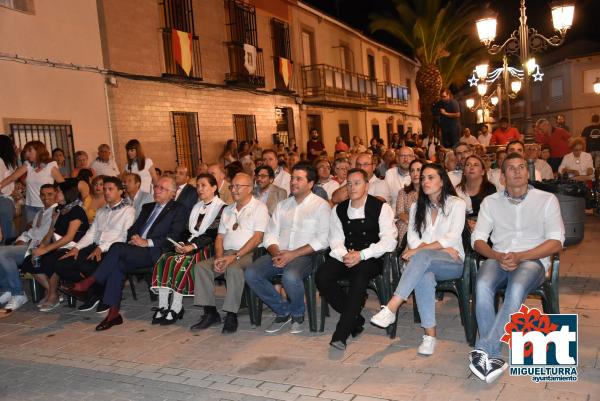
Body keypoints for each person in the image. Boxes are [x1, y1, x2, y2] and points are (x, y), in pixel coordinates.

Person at [468, 153, 564, 383]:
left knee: (517, 287)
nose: (518, 171)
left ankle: (486, 349)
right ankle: (491, 358)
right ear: (502, 177)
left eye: (521, 167)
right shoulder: (490, 202)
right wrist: (496, 255)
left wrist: (522, 256)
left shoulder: (547, 199)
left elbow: (556, 241)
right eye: (511, 168)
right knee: (481, 283)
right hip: (498, 257)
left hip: (533, 260)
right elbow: (478, 239)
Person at [61, 176, 188, 331]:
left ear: (172, 193)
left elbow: (173, 236)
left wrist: (146, 242)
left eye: (162, 188)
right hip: (136, 249)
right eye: (156, 187)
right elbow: (133, 229)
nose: (157, 190)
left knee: (116, 248)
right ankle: (113, 314)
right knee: (117, 266)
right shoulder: (148, 207)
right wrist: (134, 237)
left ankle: (87, 284)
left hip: (156, 252)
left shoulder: (178, 209)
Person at [370, 164, 466, 356]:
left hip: (452, 262)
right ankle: (430, 336)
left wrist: (424, 249)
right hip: (425, 263)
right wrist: (430, 247)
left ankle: (392, 307)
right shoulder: (416, 207)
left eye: (430, 177)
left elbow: (452, 238)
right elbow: (413, 239)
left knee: (421, 256)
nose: (425, 182)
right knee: (424, 276)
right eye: (423, 178)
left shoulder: (457, 204)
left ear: (442, 180)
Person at [316, 168, 397, 350]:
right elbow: (335, 240)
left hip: (370, 257)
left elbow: (389, 241)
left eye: (357, 183)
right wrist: (345, 255)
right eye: (349, 183)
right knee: (322, 276)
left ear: (367, 186)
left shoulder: (381, 208)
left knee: (358, 277)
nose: (352, 187)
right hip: (345, 254)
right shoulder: (339, 209)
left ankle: (341, 334)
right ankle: (355, 318)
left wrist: (361, 255)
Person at [245, 164, 330, 334]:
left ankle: (298, 315)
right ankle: (283, 311)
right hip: (279, 253)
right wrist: (276, 253)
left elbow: (323, 240)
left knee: (290, 276)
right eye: (292, 178)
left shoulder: (320, 206)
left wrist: (293, 254)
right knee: (251, 273)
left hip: (307, 256)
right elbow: (270, 234)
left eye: (299, 179)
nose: (293, 182)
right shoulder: (283, 205)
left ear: (311, 183)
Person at [190, 173, 268, 334]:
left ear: (250, 188)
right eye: (232, 186)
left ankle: (232, 314)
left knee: (233, 269)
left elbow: (257, 237)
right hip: (226, 253)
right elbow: (219, 237)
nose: (234, 190)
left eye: (238, 186)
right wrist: (219, 256)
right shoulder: (227, 209)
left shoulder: (259, 207)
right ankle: (210, 312)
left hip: (249, 253)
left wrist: (235, 256)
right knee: (201, 267)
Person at [150, 173, 226, 325]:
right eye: (197, 185)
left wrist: (192, 246)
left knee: (180, 262)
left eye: (203, 185)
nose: (199, 189)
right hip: (191, 245)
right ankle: (163, 305)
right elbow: (186, 230)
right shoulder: (196, 206)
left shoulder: (222, 207)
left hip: (208, 247)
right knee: (165, 258)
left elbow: (213, 234)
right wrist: (180, 244)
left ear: (214, 188)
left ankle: (177, 307)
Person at [54, 176, 135, 312]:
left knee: (87, 265)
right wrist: (76, 248)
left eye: (110, 189)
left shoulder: (128, 211)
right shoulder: (101, 211)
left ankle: (104, 296)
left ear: (120, 191)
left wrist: (101, 248)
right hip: (95, 246)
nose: (106, 192)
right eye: (105, 189)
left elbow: (124, 237)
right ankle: (93, 292)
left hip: (113, 249)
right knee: (61, 264)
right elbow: (91, 234)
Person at [21, 179, 90, 312]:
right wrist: (40, 247)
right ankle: (52, 292)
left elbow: (69, 237)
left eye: (58, 191)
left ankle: (52, 295)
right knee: (30, 260)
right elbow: (50, 232)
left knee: (53, 261)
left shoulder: (76, 210)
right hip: (58, 245)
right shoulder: (60, 209)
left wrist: (46, 249)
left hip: (73, 248)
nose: (56, 194)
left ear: (67, 193)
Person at [0, 184, 58, 315]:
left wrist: (26, 237)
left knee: (1, 252)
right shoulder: (40, 213)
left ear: (56, 194)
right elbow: (31, 231)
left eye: (50, 194)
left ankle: (18, 293)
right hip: (29, 246)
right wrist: (22, 238)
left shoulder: (56, 212)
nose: (45, 197)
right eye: (43, 195)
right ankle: (8, 290)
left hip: (42, 247)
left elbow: (42, 234)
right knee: (2, 252)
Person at [0, 141, 64, 224]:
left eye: (30, 151)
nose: (27, 154)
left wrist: (59, 199)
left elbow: (63, 184)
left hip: (46, 206)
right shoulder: (28, 165)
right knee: (32, 233)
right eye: (26, 151)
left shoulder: (50, 166)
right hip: (30, 207)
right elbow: (13, 177)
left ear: (39, 151)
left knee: (46, 233)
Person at [455, 156, 497, 231]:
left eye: (476, 165)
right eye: (468, 165)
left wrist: (478, 225)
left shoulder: (491, 189)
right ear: (464, 172)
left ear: (483, 172)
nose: (471, 167)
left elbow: (494, 215)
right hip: (464, 228)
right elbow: (455, 216)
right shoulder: (457, 190)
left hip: (487, 229)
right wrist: (467, 224)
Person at [395, 159, 423, 243]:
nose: (415, 174)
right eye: (412, 171)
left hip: (427, 225)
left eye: (419, 170)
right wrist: (414, 223)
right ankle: (403, 252)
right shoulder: (403, 192)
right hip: (408, 223)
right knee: (402, 223)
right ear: (409, 174)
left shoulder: (430, 192)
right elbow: (400, 213)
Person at [0, 136, 17, 243]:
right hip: (3, 200)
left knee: (8, 230)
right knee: (8, 232)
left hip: (6, 200)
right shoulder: (0, 161)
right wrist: (10, 191)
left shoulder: (6, 161)